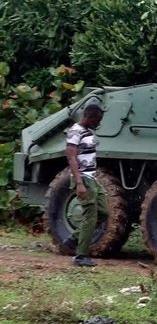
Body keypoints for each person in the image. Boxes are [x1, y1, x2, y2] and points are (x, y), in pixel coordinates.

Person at [64, 103, 107, 268]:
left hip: (92, 177)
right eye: (97, 120)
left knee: (103, 213)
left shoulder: (87, 132)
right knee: (90, 216)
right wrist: (79, 182)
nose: (98, 123)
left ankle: (74, 238)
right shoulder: (75, 132)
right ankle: (81, 256)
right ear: (89, 117)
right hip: (83, 178)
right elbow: (71, 157)